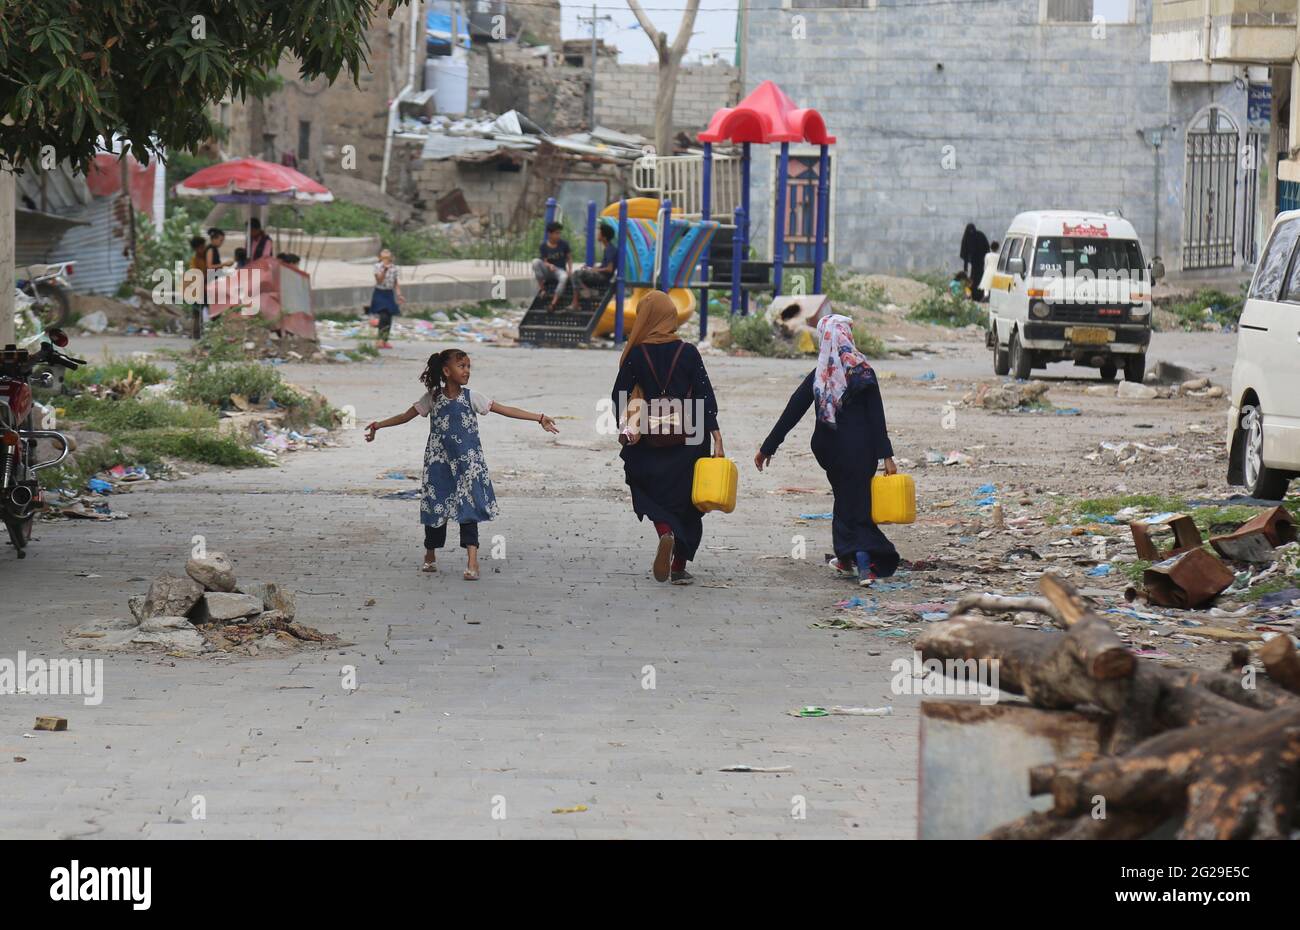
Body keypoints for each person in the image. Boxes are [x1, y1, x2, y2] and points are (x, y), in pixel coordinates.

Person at [364, 348, 559, 580]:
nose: (466, 371)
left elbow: (505, 409)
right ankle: (430, 554)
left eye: (468, 367)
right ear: (446, 371)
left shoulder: (472, 397)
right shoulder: (432, 398)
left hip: (468, 465)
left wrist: (538, 418)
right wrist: (378, 426)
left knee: (469, 510)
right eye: (462, 366)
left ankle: (472, 562)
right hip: (439, 464)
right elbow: (405, 416)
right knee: (435, 508)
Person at [755, 314, 900, 588]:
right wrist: (887, 456)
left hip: (832, 452)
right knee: (855, 503)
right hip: (863, 452)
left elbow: (793, 410)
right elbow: (876, 418)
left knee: (846, 500)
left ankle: (853, 561)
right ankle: (858, 561)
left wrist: (768, 447)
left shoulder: (820, 374)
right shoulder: (863, 371)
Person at [611, 291, 723, 585]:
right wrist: (717, 437)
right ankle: (678, 566)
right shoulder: (688, 352)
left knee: (646, 487)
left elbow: (619, 394)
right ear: (671, 316)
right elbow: (704, 396)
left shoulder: (637, 354)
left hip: (650, 438)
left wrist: (630, 421)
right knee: (688, 502)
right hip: (690, 437)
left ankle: (665, 533)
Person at [569, 221, 617, 311]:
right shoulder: (608, 248)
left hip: (603, 277)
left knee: (576, 274)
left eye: (599, 233)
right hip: (601, 274)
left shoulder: (610, 250)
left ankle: (578, 300)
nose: (597, 235)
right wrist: (591, 269)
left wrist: (596, 270)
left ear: (604, 237)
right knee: (578, 274)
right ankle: (587, 290)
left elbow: (609, 269)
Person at [366, 248, 403, 349]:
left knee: (389, 318)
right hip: (380, 293)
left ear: (391, 256)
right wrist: (385, 270)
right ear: (380, 256)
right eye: (384, 251)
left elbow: (395, 283)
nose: (386, 252)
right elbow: (379, 281)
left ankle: (385, 340)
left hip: (389, 293)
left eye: (388, 251)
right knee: (383, 316)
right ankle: (379, 340)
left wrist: (399, 295)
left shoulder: (394, 268)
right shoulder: (377, 266)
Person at [533, 222, 572, 311]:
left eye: (559, 233)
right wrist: (549, 265)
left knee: (564, 277)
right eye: (556, 233)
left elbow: (569, 258)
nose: (558, 235)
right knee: (535, 262)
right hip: (548, 270)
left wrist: (570, 270)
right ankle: (543, 290)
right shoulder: (543, 246)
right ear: (549, 234)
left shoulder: (564, 244)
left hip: (559, 271)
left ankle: (553, 303)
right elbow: (544, 261)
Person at [960, 223, 990, 302]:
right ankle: (977, 296)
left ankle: (979, 296)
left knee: (978, 279)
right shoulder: (978, 235)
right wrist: (965, 268)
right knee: (976, 279)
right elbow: (965, 253)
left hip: (979, 263)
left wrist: (965, 268)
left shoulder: (968, 237)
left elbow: (965, 253)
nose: (971, 232)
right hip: (977, 263)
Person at [187, 235, 209, 339]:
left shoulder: (206, 257)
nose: (203, 249)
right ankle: (196, 335)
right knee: (197, 313)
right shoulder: (194, 260)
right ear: (196, 248)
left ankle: (202, 333)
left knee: (204, 312)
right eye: (201, 247)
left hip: (205, 288)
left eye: (204, 247)